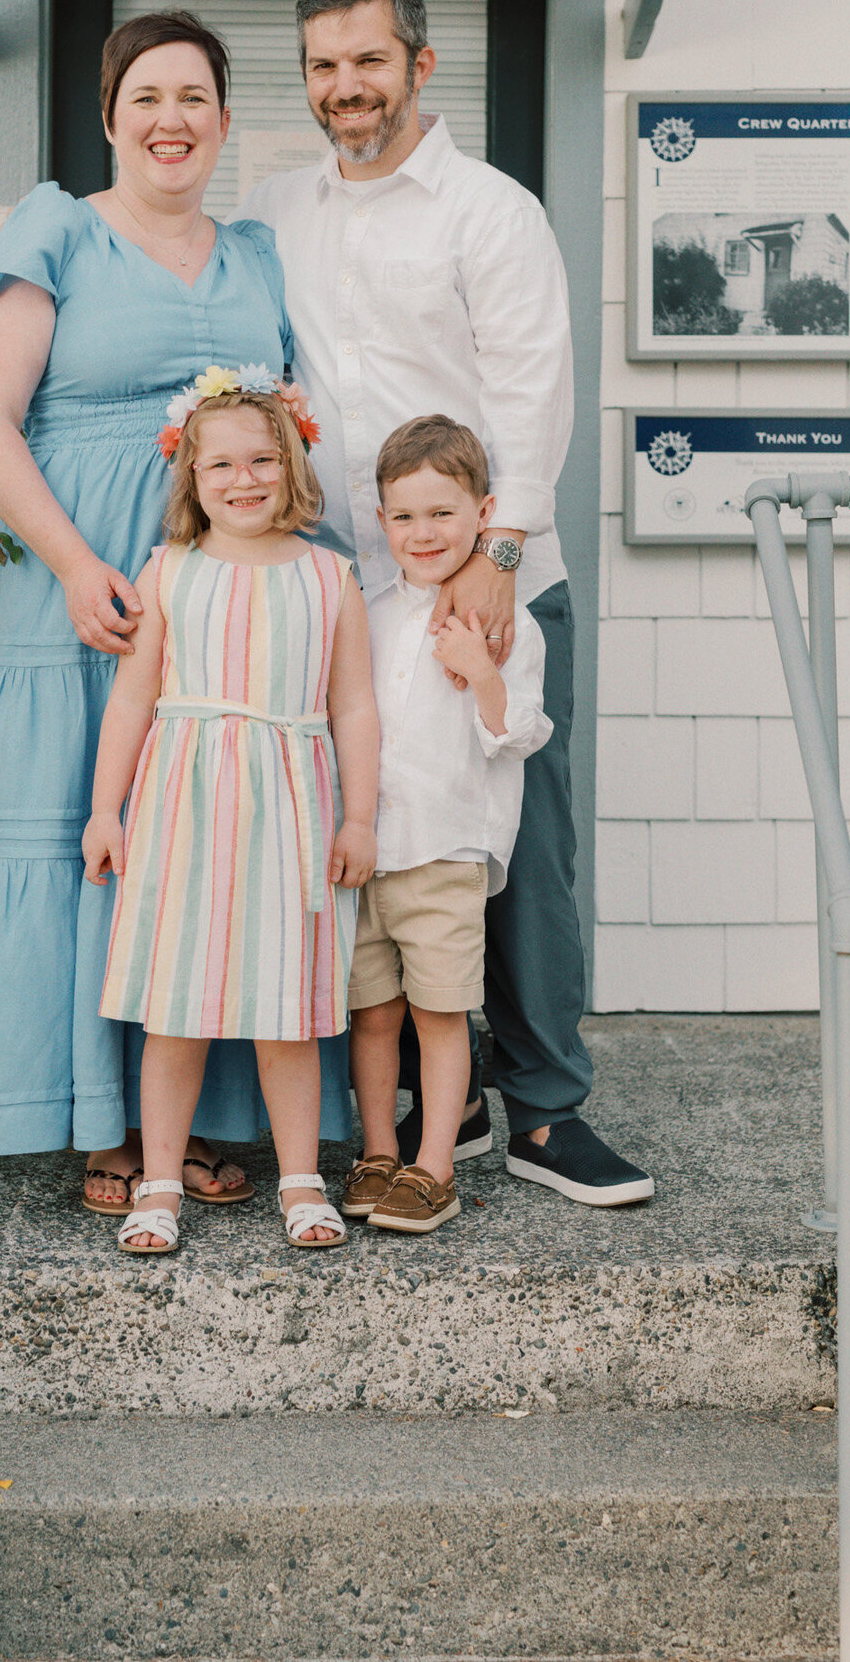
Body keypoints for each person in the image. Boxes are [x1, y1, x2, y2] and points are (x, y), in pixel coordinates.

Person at [238, 0, 653, 1206]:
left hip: (484, 579)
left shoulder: (490, 210)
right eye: (322, 65)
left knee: (516, 851)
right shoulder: (275, 209)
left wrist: (500, 555)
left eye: (368, 60)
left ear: (421, 65)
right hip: (345, 596)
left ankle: (546, 1110)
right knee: (381, 842)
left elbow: (532, 386)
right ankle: (445, 1098)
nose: (343, 87)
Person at [0, 10, 352, 1211]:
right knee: (91, 837)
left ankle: (204, 1125)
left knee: (216, 846)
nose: (171, 120)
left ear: (224, 122)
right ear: (111, 116)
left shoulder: (258, 256)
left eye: (195, 98)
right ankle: (99, 1123)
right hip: (84, 594)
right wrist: (78, 567)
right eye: (148, 98)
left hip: (224, 610)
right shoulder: (58, 229)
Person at [82, 373, 378, 1255]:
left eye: (262, 460)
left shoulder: (331, 576)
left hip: (293, 810)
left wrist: (358, 817)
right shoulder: (172, 570)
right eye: (222, 464)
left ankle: (301, 1180)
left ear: (291, 465)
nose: (243, 479)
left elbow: (355, 705)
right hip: (184, 807)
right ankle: (161, 1182)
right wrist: (106, 807)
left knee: (283, 1007)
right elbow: (133, 700)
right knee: (175, 1007)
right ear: (191, 473)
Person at [343, 417, 551, 1235]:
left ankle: (434, 1166)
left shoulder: (508, 623)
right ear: (382, 519)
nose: (422, 532)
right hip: (368, 852)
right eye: (404, 516)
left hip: (445, 848)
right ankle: (376, 1152)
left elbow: (519, 733)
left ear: (482, 511)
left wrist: (482, 674)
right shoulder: (368, 610)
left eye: (442, 513)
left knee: (439, 1013)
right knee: (372, 1013)